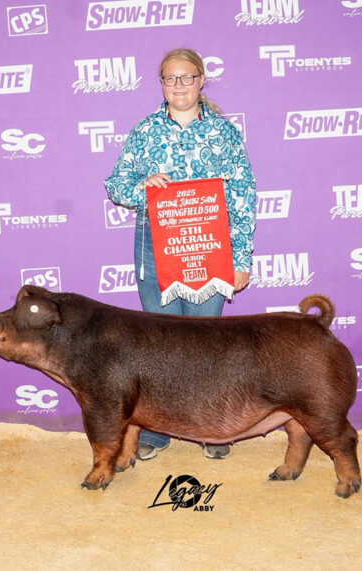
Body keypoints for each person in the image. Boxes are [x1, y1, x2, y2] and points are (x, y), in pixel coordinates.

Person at [104, 48, 256, 461]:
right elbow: (116, 184)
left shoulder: (224, 132)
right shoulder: (145, 130)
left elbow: (243, 194)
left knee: (206, 344)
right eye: (170, 78)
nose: (179, 85)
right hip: (155, 245)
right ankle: (157, 431)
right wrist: (143, 187)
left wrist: (241, 258)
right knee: (159, 344)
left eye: (187, 77)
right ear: (162, 84)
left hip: (210, 246)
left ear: (201, 80)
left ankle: (212, 427)